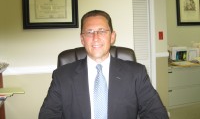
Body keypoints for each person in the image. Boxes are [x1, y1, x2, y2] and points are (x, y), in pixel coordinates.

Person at [39, 10, 169, 119]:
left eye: (102, 31)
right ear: (82, 39)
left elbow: (157, 114)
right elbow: (48, 115)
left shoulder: (136, 73)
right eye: (89, 32)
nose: (95, 37)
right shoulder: (62, 76)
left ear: (112, 37)